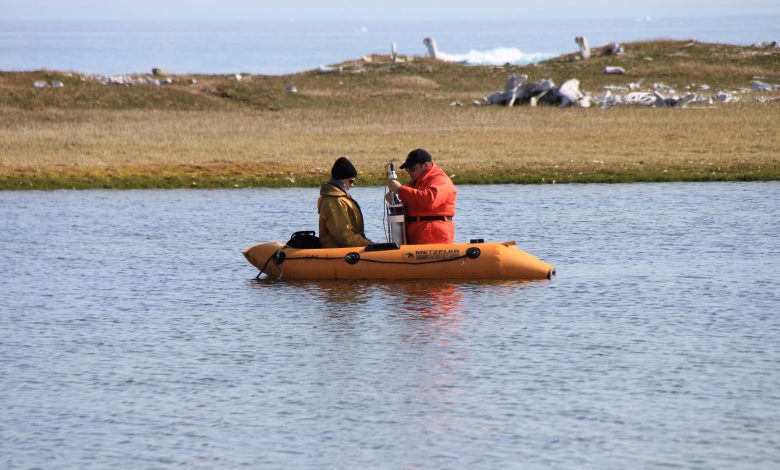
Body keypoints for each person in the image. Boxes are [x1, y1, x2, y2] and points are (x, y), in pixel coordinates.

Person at [387, 148, 457, 244]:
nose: (410, 173)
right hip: (416, 237)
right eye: (408, 169)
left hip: (434, 239)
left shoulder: (440, 180)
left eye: (412, 169)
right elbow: (408, 210)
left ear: (426, 166)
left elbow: (430, 200)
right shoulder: (414, 182)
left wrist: (400, 190)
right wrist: (394, 203)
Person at [318, 156, 373, 248]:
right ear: (341, 180)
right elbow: (345, 238)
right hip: (337, 253)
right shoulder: (334, 201)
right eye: (351, 181)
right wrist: (370, 245)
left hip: (348, 250)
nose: (352, 185)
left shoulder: (339, 198)